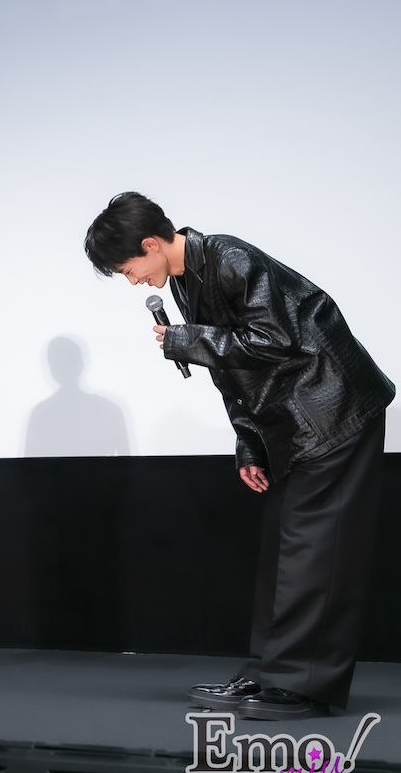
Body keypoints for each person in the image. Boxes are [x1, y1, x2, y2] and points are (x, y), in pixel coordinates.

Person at [85, 192, 393, 720]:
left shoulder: (229, 257)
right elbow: (234, 373)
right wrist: (250, 443)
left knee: (315, 552)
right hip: (295, 422)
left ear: (151, 244)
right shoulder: (186, 278)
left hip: (335, 409)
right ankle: (270, 674)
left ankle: (303, 688)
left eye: (129, 269)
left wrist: (187, 339)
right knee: (283, 552)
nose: (133, 281)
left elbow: (274, 341)